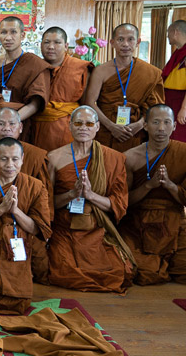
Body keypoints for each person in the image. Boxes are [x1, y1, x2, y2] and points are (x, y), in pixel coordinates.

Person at [46, 106, 135, 293]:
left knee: (120, 271)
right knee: (64, 272)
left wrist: (90, 195)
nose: (83, 128)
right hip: (65, 228)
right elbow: (47, 204)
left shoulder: (113, 158)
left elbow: (119, 204)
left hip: (96, 227)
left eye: (88, 124)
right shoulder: (54, 158)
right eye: (78, 123)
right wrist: (72, 194)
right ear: (70, 126)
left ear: (97, 127)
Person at [121, 104, 186, 285]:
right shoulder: (130, 157)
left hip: (174, 220)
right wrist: (149, 186)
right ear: (145, 125)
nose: (161, 128)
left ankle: (164, 262)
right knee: (143, 273)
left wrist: (170, 186)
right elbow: (124, 201)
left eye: (167, 122)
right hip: (138, 221)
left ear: (174, 126)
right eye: (156, 122)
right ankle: (163, 263)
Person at [0, 138, 51, 314]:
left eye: (14, 159)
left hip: (16, 250)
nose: (9, 164)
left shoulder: (35, 186)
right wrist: (1, 209)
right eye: (4, 159)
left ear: (22, 159)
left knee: (20, 302)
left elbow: (37, 229)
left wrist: (15, 211)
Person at [0, 107, 53, 283]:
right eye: (1, 124)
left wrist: (16, 211)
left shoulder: (35, 156)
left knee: (43, 270)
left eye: (12, 123)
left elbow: (42, 209)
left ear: (20, 128)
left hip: (26, 228)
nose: (7, 128)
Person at [84, 23, 164, 152]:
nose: (125, 44)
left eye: (130, 39)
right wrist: (112, 127)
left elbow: (155, 107)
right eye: (120, 39)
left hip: (136, 132)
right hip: (105, 130)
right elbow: (89, 102)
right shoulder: (100, 71)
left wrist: (139, 125)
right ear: (112, 42)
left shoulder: (151, 73)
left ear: (138, 42)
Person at [0, 16, 51, 147]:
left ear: (23, 35)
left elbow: (36, 103)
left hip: (20, 124)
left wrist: (9, 122)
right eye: (3, 32)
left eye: (13, 32)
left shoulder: (35, 64)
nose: (8, 37)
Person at [33, 27, 94, 151]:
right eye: (46, 42)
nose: (51, 46)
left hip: (68, 130)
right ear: (40, 45)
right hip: (36, 128)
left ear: (66, 46)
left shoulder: (80, 68)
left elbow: (86, 105)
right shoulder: (34, 67)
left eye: (57, 42)